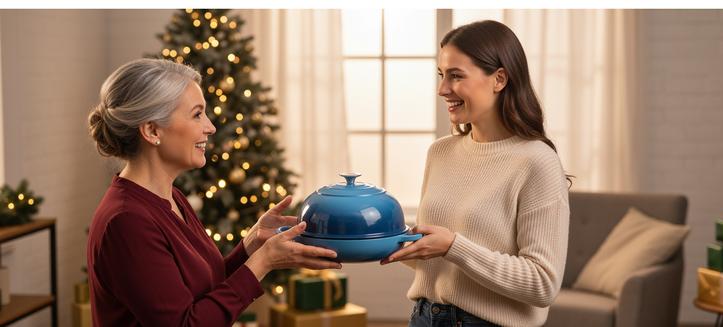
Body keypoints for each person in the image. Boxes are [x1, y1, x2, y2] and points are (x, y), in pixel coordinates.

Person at [86, 58, 341, 326]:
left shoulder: (172, 198)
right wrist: (263, 263)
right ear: (152, 130)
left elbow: (202, 292)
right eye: (197, 114)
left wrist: (250, 246)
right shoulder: (127, 221)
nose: (210, 126)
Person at [380, 20, 571, 327]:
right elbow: (438, 260)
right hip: (424, 318)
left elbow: (542, 283)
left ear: (499, 79)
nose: (443, 89)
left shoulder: (537, 161)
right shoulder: (440, 152)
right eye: (441, 75)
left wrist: (453, 246)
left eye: (456, 76)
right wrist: (385, 240)